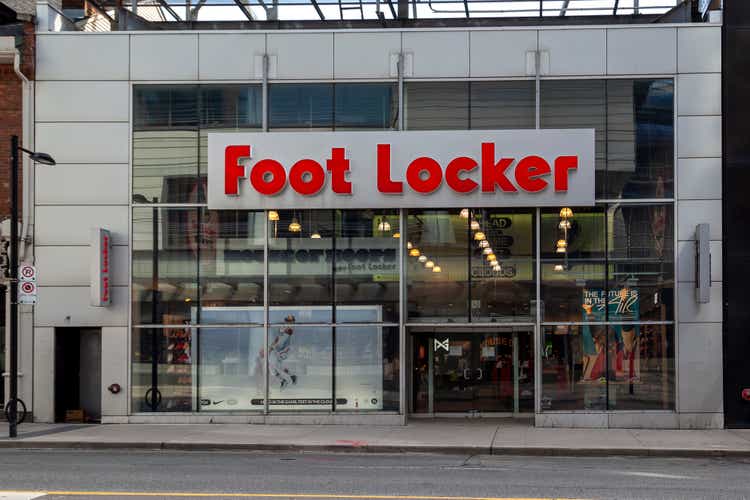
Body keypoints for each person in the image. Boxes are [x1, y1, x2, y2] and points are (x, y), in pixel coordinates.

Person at [269, 315, 298, 389]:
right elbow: (278, 337)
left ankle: (291, 377)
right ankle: (284, 380)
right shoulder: (282, 326)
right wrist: (272, 346)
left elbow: (285, 337)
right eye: (288, 318)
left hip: (283, 349)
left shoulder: (290, 328)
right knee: (271, 367)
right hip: (277, 348)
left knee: (276, 364)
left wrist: (273, 347)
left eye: (290, 319)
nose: (288, 319)